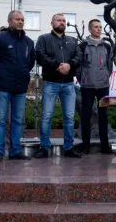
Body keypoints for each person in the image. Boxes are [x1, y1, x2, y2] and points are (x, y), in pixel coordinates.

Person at [0, 10, 35, 162]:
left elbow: (31, 61)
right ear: (9, 21)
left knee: (18, 120)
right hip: (3, 85)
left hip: (20, 87)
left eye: (22, 19)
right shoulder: (0, 39)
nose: (20, 21)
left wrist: (24, 74)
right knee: (1, 119)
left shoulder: (28, 42)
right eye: (17, 19)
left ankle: (15, 151)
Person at [34, 14, 82, 158]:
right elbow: (40, 55)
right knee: (46, 116)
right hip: (50, 83)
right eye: (59, 20)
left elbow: (78, 56)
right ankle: (44, 147)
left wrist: (70, 65)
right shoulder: (43, 39)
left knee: (69, 116)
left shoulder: (73, 40)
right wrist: (57, 65)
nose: (62, 23)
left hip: (68, 84)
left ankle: (68, 148)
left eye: (64, 21)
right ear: (51, 22)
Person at [76, 19, 113, 154]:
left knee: (103, 115)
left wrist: (105, 76)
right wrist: (83, 79)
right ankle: (85, 145)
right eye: (96, 27)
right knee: (86, 116)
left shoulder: (107, 46)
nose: (99, 29)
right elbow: (78, 66)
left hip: (103, 86)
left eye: (100, 27)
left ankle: (105, 146)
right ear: (90, 29)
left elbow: (109, 66)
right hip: (87, 86)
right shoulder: (82, 46)